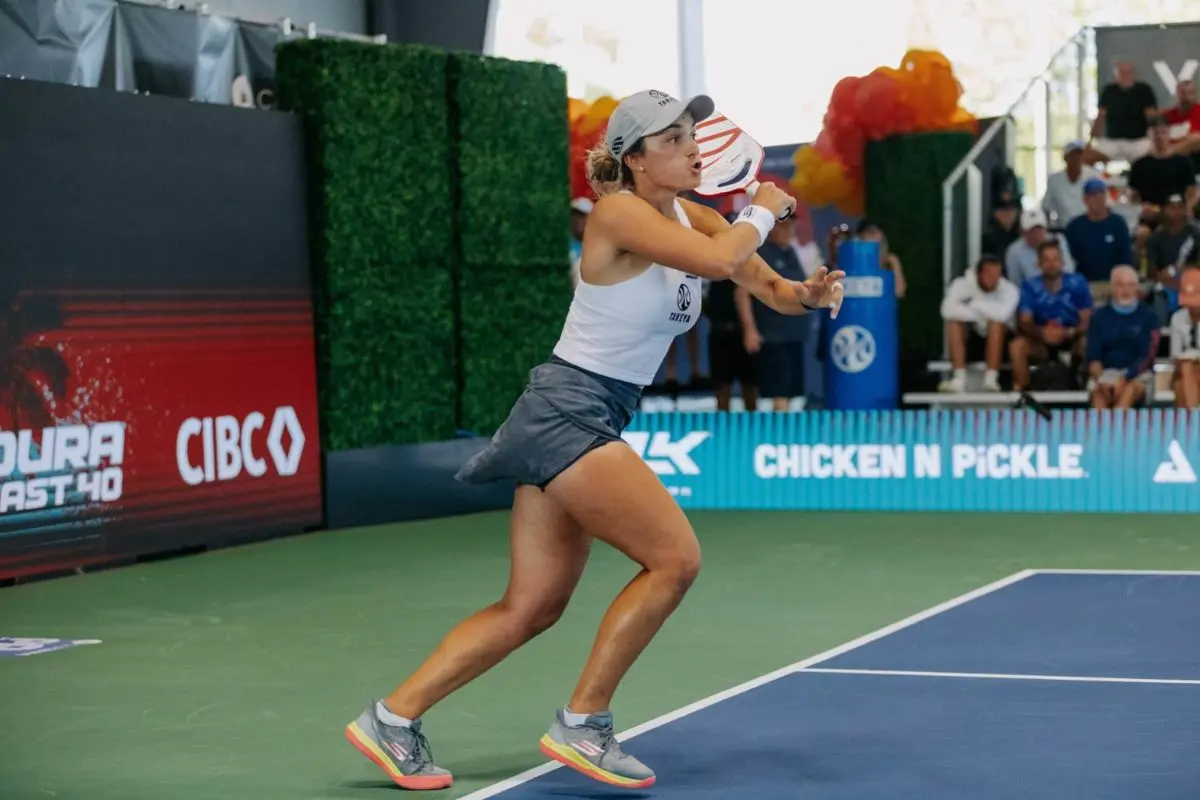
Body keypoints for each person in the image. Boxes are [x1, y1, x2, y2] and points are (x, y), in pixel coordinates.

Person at [342, 89, 845, 791]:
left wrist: (807, 294)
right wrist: (760, 209)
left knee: (531, 607)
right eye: (672, 140)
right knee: (674, 559)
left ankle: (391, 719)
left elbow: (762, 282)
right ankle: (585, 722)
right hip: (569, 411)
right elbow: (716, 261)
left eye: (691, 135)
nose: (692, 148)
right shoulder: (619, 213)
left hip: (586, 413)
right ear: (634, 160)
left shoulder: (698, 218)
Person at [1009, 240, 1094, 392]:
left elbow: (1086, 318)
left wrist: (1070, 332)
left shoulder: (1078, 282)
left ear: (1062, 262)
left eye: (1055, 259)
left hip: (1072, 338)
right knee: (1017, 346)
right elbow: (1024, 320)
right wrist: (1042, 332)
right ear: (1039, 264)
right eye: (1046, 260)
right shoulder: (1029, 286)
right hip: (1041, 340)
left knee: (1087, 343)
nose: (1052, 264)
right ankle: (1024, 391)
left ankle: (1085, 387)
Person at [938, 253, 1020, 392]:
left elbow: (1003, 314)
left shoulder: (1010, 289)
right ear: (978, 274)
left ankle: (991, 380)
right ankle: (958, 379)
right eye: (989, 274)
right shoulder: (961, 284)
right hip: (973, 338)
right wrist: (987, 312)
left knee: (996, 324)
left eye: (997, 274)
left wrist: (973, 304)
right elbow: (946, 310)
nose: (994, 279)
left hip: (1003, 342)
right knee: (954, 323)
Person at [1085, 265, 1160, 410]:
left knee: (1128, 391)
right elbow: (1093, 357)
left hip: (1139, 374)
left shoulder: (1150, 317)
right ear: (1112, 288)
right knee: (1099, 397)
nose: (1126, 291)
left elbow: (1148, 357)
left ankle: (1118, 424)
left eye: (1130, 285)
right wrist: (1102, 381)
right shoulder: (1099, 317)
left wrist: (1125, 379)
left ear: (1137, 288)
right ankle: (1101, 425)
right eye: (1120, 285)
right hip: (1106, 373)